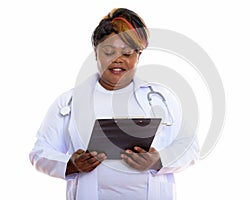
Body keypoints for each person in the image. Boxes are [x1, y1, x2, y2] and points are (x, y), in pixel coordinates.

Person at [29, 8, 199, 200]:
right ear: (95, 52)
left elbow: (190, 147)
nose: (118, 59)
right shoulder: (69, 101)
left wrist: (158, 160)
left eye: (127, 53)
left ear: (138, 56)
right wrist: (71, 163)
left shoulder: (162, 98)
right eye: (109, 52)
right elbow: (40, 152)